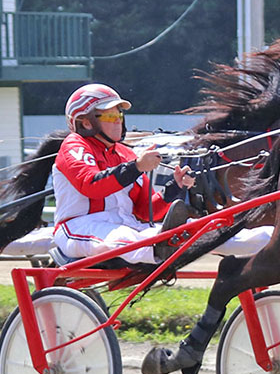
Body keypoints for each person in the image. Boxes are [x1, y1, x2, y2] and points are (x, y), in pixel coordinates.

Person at [52, 83, 194, 265]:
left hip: (125, 225)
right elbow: (91, 185)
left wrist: (175, 186)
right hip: (79, 227)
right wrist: (136, 167)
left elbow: (146, 210)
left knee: (187, 230)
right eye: (110, 115)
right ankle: (160, 244)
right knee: (126, 236)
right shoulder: (74, 146)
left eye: (119, 114)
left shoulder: (126, 154)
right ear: (86, 123)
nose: (118, 120)